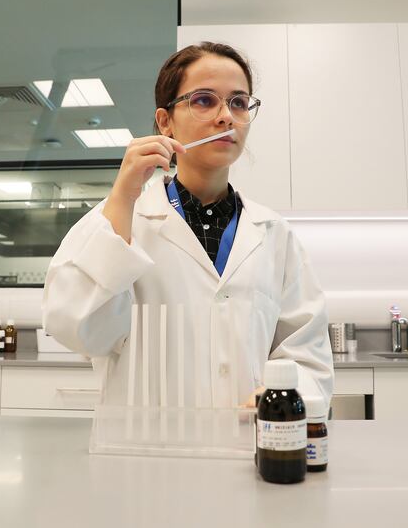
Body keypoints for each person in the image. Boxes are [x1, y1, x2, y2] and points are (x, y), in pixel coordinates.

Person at [42, 42, 333, 409]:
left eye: (239, 102)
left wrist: (284, 395)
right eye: (204, 100)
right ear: (165, 121)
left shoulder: (274, 233)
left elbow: (307, 353)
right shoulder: (121, 216)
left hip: (248, 446)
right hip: (148, 449)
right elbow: (79, 330)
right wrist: (123, 196)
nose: (226, 116)